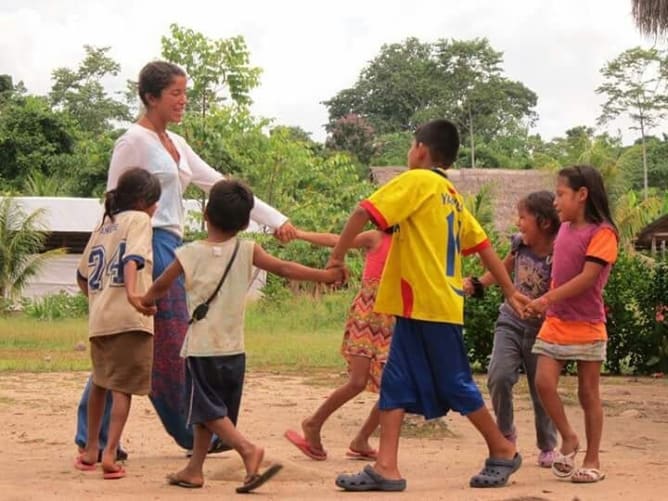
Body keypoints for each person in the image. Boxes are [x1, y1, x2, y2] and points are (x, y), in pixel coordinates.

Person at [74, 60, 296, 457]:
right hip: (145, 245)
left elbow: (219, 182)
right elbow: (114, 203)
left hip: (169, 245)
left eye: (184, 92)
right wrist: (104, 255)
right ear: (150, 97)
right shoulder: (132, 142)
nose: (183, 100)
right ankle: (183, 434)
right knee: (164, 343)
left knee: (139, 340)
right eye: (175, 93)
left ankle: (96, 437)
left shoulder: (175, 144)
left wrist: (275, 220)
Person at [330, 119, 525, 492]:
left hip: (430, 304)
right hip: (418, 306)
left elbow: (363, 212)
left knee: (456, 383)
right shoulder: (451, 194)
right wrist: (508, 289)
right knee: (395, 382)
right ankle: (386, 466)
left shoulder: (418, 180)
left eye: (410, 147)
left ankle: (502, 448)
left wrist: (336, 258)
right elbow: (482, 244)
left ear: (420, 149)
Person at [136, 179, 341, 492]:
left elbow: (162, 284)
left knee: (205, 410)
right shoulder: (248, 250)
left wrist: (145, 301)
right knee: (212, 413)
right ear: (245, 222)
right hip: (234, 350)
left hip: (202, 349)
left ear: (205, 213)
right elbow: (285, 269)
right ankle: (194, 470)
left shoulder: (188, 253)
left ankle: (248, 450)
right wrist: (324, 276)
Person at [524, 165, 618, 484]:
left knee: (588, 393)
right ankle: (568, 438)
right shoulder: (563, 229)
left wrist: (546, 299)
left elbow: (588, 277)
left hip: (588, 324)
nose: (555, 201)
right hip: (557, 322)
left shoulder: (603, 233)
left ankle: (593, 459)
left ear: (582, 195)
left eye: (561, 194)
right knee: (543, 383)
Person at [74, 168, 161, 479]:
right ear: (142, 202)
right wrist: (133, 295)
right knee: (122, 389)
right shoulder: (140, 220)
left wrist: (99, 300)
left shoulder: (105, 224)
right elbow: (132, 259)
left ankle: (90, 450)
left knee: (100, 383)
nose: (155, 209)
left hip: (100, 320)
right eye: (154, 203)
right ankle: (110, 454)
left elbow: (82, 275)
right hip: (129, 319)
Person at [464, 191, 560, 468]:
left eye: (523, 217)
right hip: (511, 321)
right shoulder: (519, 246)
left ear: (543, 222)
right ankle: (505, 432)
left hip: (542, 330)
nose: (518, 223)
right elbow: (502, 270)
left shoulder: (559, 252)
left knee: (541, 388)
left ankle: (547, 444)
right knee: (499, 376)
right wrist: (478, 284)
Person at [285, 226, 394, 460]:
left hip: (395, 318)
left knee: (394, 389)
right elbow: (337, 239)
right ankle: (314, 423)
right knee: (357, 381)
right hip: (368, 316)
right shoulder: (376, 237)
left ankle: (361, 439)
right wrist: (300, 234)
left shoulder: (413, 243)